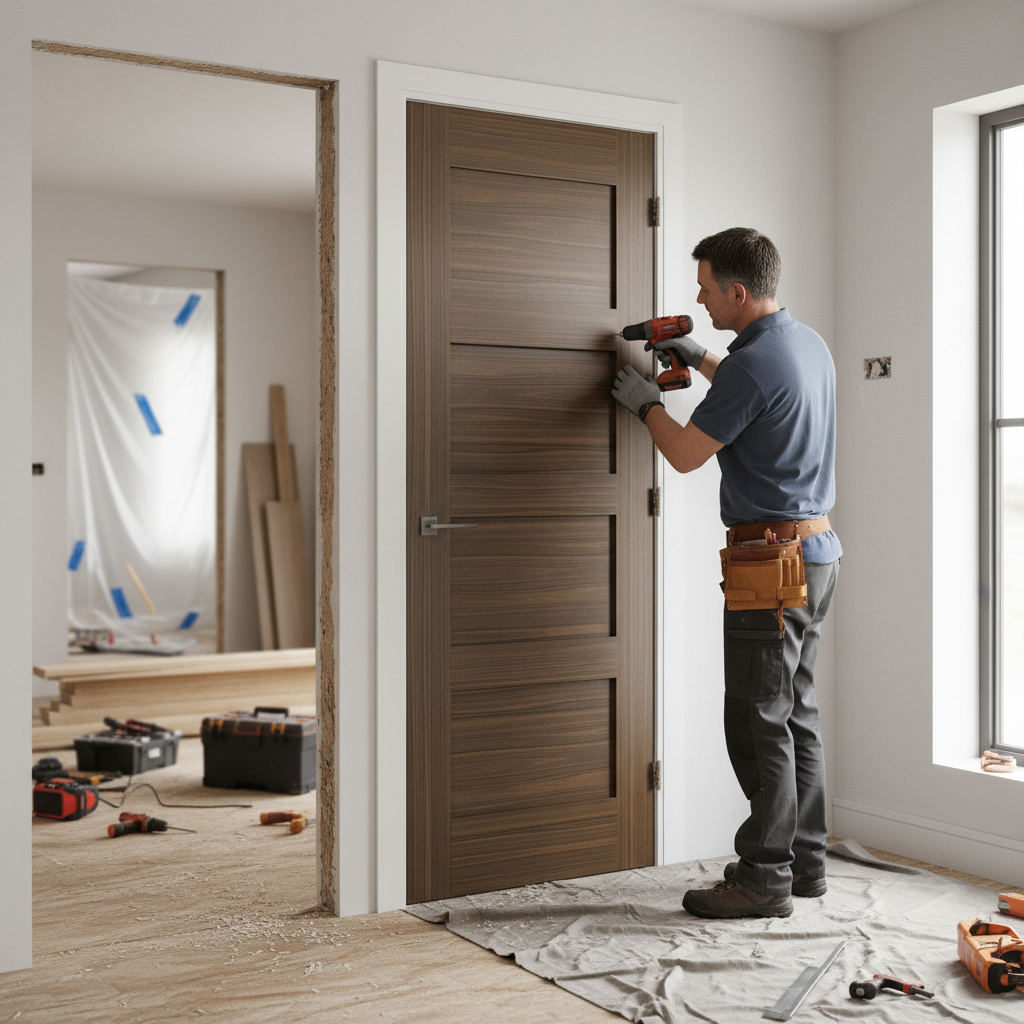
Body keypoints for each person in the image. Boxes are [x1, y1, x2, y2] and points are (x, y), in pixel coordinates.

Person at [611, 227, 841, 920]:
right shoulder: (805, 345)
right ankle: (805, 865)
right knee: (795, 715)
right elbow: (757, 395)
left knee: (755, 721)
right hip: (816, 554)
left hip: (768, 569)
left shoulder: (751, 367)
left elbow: (684, 453)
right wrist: (701, 356)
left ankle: (762, 880)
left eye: (708, 288)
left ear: (739, 292)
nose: (700, 298)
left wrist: (644, 403)